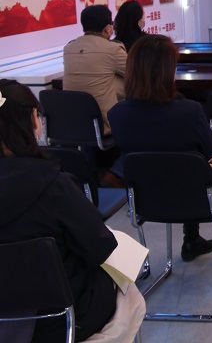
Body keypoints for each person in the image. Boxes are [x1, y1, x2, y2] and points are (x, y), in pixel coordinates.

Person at [107, 35, 212, 263]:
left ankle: (192, 241)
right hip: (198, 197)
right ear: (168, 72)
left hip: (146, 201)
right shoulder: (190, 111)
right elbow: (210, 152)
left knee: (187, 168)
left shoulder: (116, 114)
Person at [0, 79, 120, 342]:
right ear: (32, 120)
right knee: (123, 282)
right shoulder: (54, 184)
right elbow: (100, 247)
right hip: (60, 321)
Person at [63, 4, 127, 135]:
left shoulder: (68, 48)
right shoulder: (113, 49)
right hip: (104, 125)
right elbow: (138, 75)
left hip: (73, 123)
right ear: (108, 28)